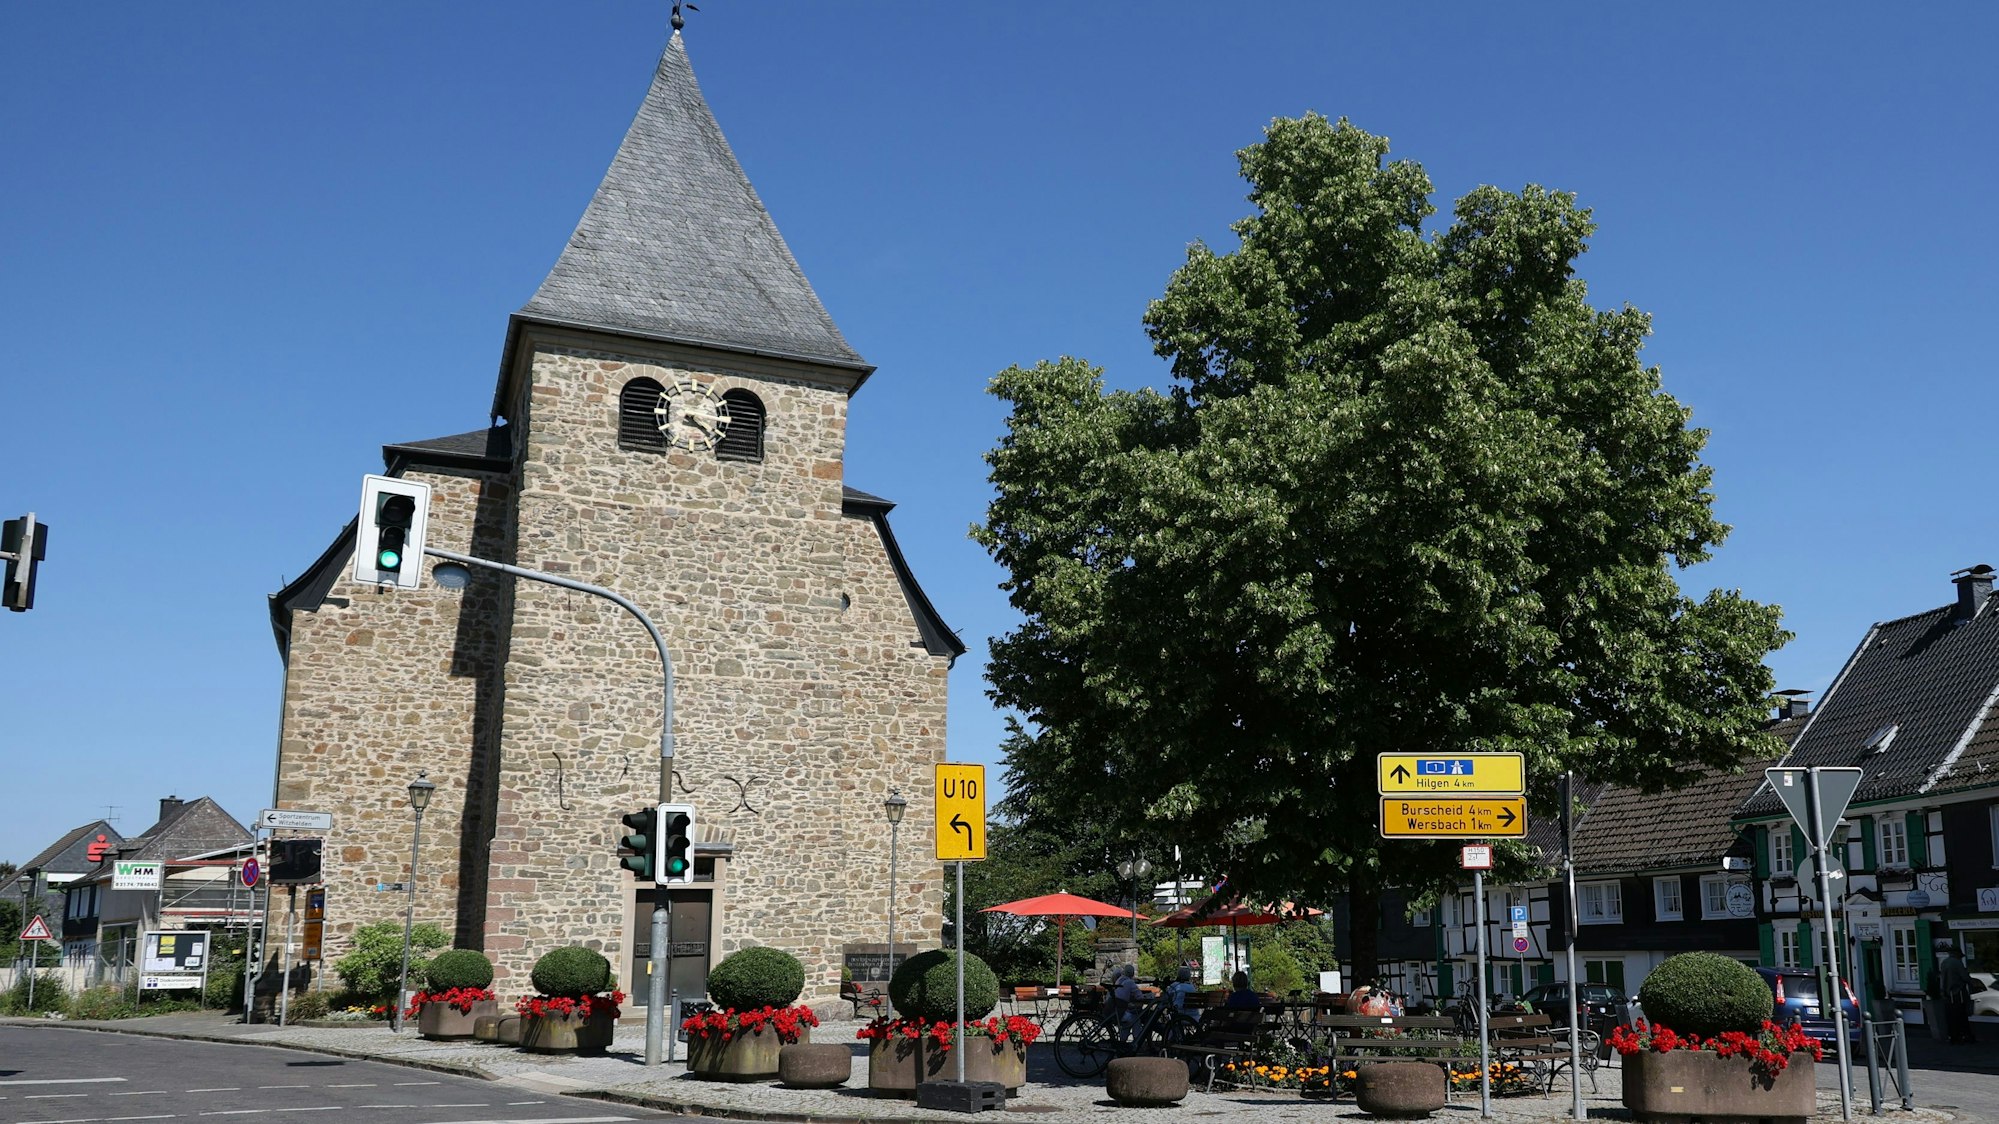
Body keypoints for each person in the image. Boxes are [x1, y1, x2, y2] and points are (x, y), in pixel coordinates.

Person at [1938, 941, 1976, 1044]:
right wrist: (1971, 982)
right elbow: (1965, 977)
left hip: (1948, 994)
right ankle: (1965, 1036)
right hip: (1958, 993)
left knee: (1951, 1016)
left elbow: (1942, 979)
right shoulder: (1957, 963)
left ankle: (1953, 1036)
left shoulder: (1944, 963)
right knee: (1961, 1015)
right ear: (1957, 954)